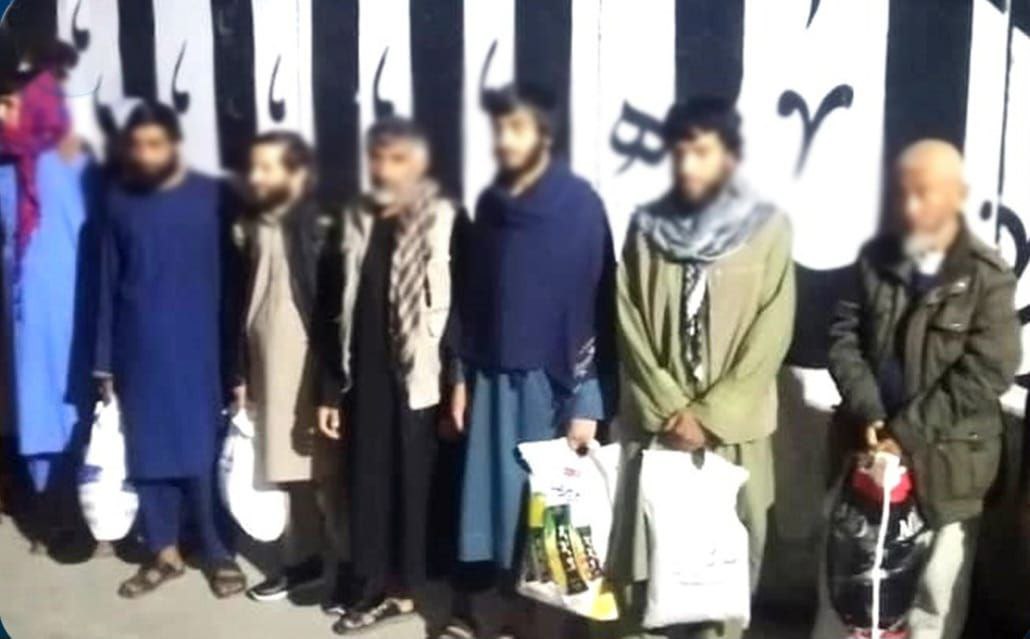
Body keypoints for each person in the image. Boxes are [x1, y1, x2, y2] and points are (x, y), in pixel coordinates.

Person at [812, 140, 1020, 639]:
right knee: (845, 591)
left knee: (933, 601)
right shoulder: (874, 260)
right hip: (866, 454)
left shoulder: (986, 277)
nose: (909, 205)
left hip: (949, 469)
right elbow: (843, 337)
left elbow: (990, 368)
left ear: (956, 195)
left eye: (924, 192)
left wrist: (904, 432)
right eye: (901, 192)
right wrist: (870, 411)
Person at [608, 97, 795, 639]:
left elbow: (771, 331)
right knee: (648, 566)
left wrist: (711, 416)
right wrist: (672, 408)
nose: (688, 165)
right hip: (660, 428)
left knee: (724, 570)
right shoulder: (647, 228)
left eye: (702, 152)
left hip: (732, 434)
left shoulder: (768, 229)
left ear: (730, 156)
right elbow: (629, 321)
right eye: (679, 152)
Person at [444, 83, 616, 638]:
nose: (505, 139)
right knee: (506, 513)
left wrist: (587, 402)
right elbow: (469, 296)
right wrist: (460, 377)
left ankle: (553, 627)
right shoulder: (489, 207)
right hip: (493, 381)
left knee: (554, 513)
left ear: (545, 134)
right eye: (499, 129)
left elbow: (597, 306)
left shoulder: (579, 207)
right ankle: (518, 617)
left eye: (517, 128)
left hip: (554, 387)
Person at [316, 117, 462, 634]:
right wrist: (329, 391)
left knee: (417, 488)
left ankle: (412, 591)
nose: (385, 169)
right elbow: (330, 308)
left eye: (398, 158)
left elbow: (462, 307)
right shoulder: (356, 219)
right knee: (370, 485)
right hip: (366, 379)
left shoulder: (444, 217)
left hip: (422, 376)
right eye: (378, 158)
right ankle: (376, 586)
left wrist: (459, 381)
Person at [94, 102, 245, 599]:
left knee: (200, 449)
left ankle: (217, 550)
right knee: (149, 453)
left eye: (154, 144)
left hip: (199, 345)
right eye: (136, 145)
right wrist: (104, 361)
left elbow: (234, 280)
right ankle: (164, 552)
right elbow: (106, 281)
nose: (144, 154)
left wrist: (236, 360)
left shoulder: (212, 195)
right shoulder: (118, 199)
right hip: (138, 348)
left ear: (176, 145)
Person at [0, 39, 100, 554]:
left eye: (8, 104)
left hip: (72, 312)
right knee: (33, 414)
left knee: (71, 411)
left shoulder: (73, 160)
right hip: (23, 318)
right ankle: (48, 519)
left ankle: (77, 522)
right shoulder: (6, 166)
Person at [233, 131, 337, 603]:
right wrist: (241, 370)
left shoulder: (316, 220)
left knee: (315, 468)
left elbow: (327, 301)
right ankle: (305, 561)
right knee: (288, 468)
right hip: (266, 356)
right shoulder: (257, 220)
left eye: (267, 167)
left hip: (302, 357)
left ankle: (326, 566)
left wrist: (328, 380)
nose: (257, 176)